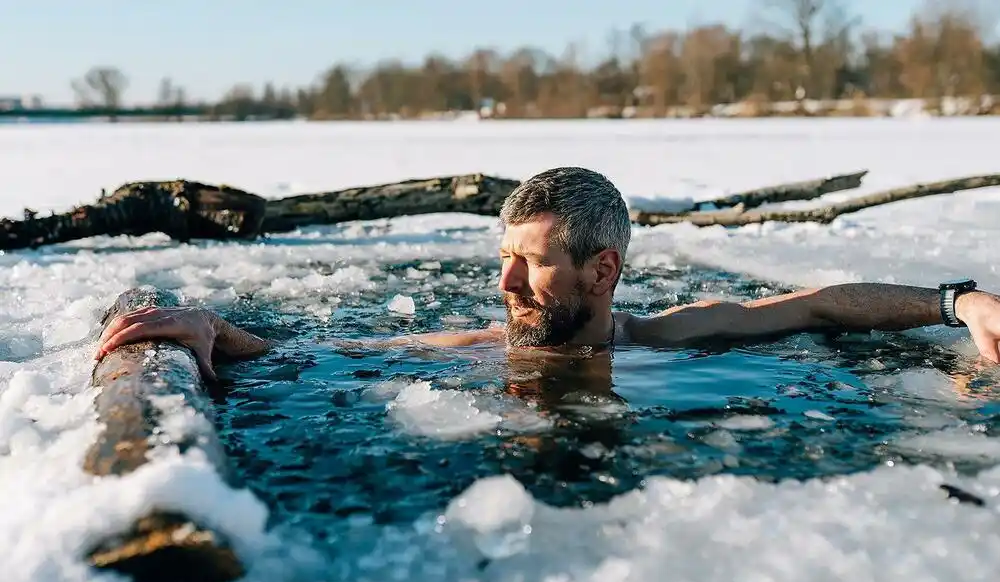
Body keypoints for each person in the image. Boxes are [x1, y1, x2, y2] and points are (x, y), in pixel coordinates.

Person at [94, 166, 1000, 382]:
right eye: (502, 264)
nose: (505, 291)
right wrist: (217, 331)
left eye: (528, 269)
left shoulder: (671, 335)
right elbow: (334, 347)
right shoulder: (486, 344)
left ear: (603, 271)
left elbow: (817, 305)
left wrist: (958, 300)